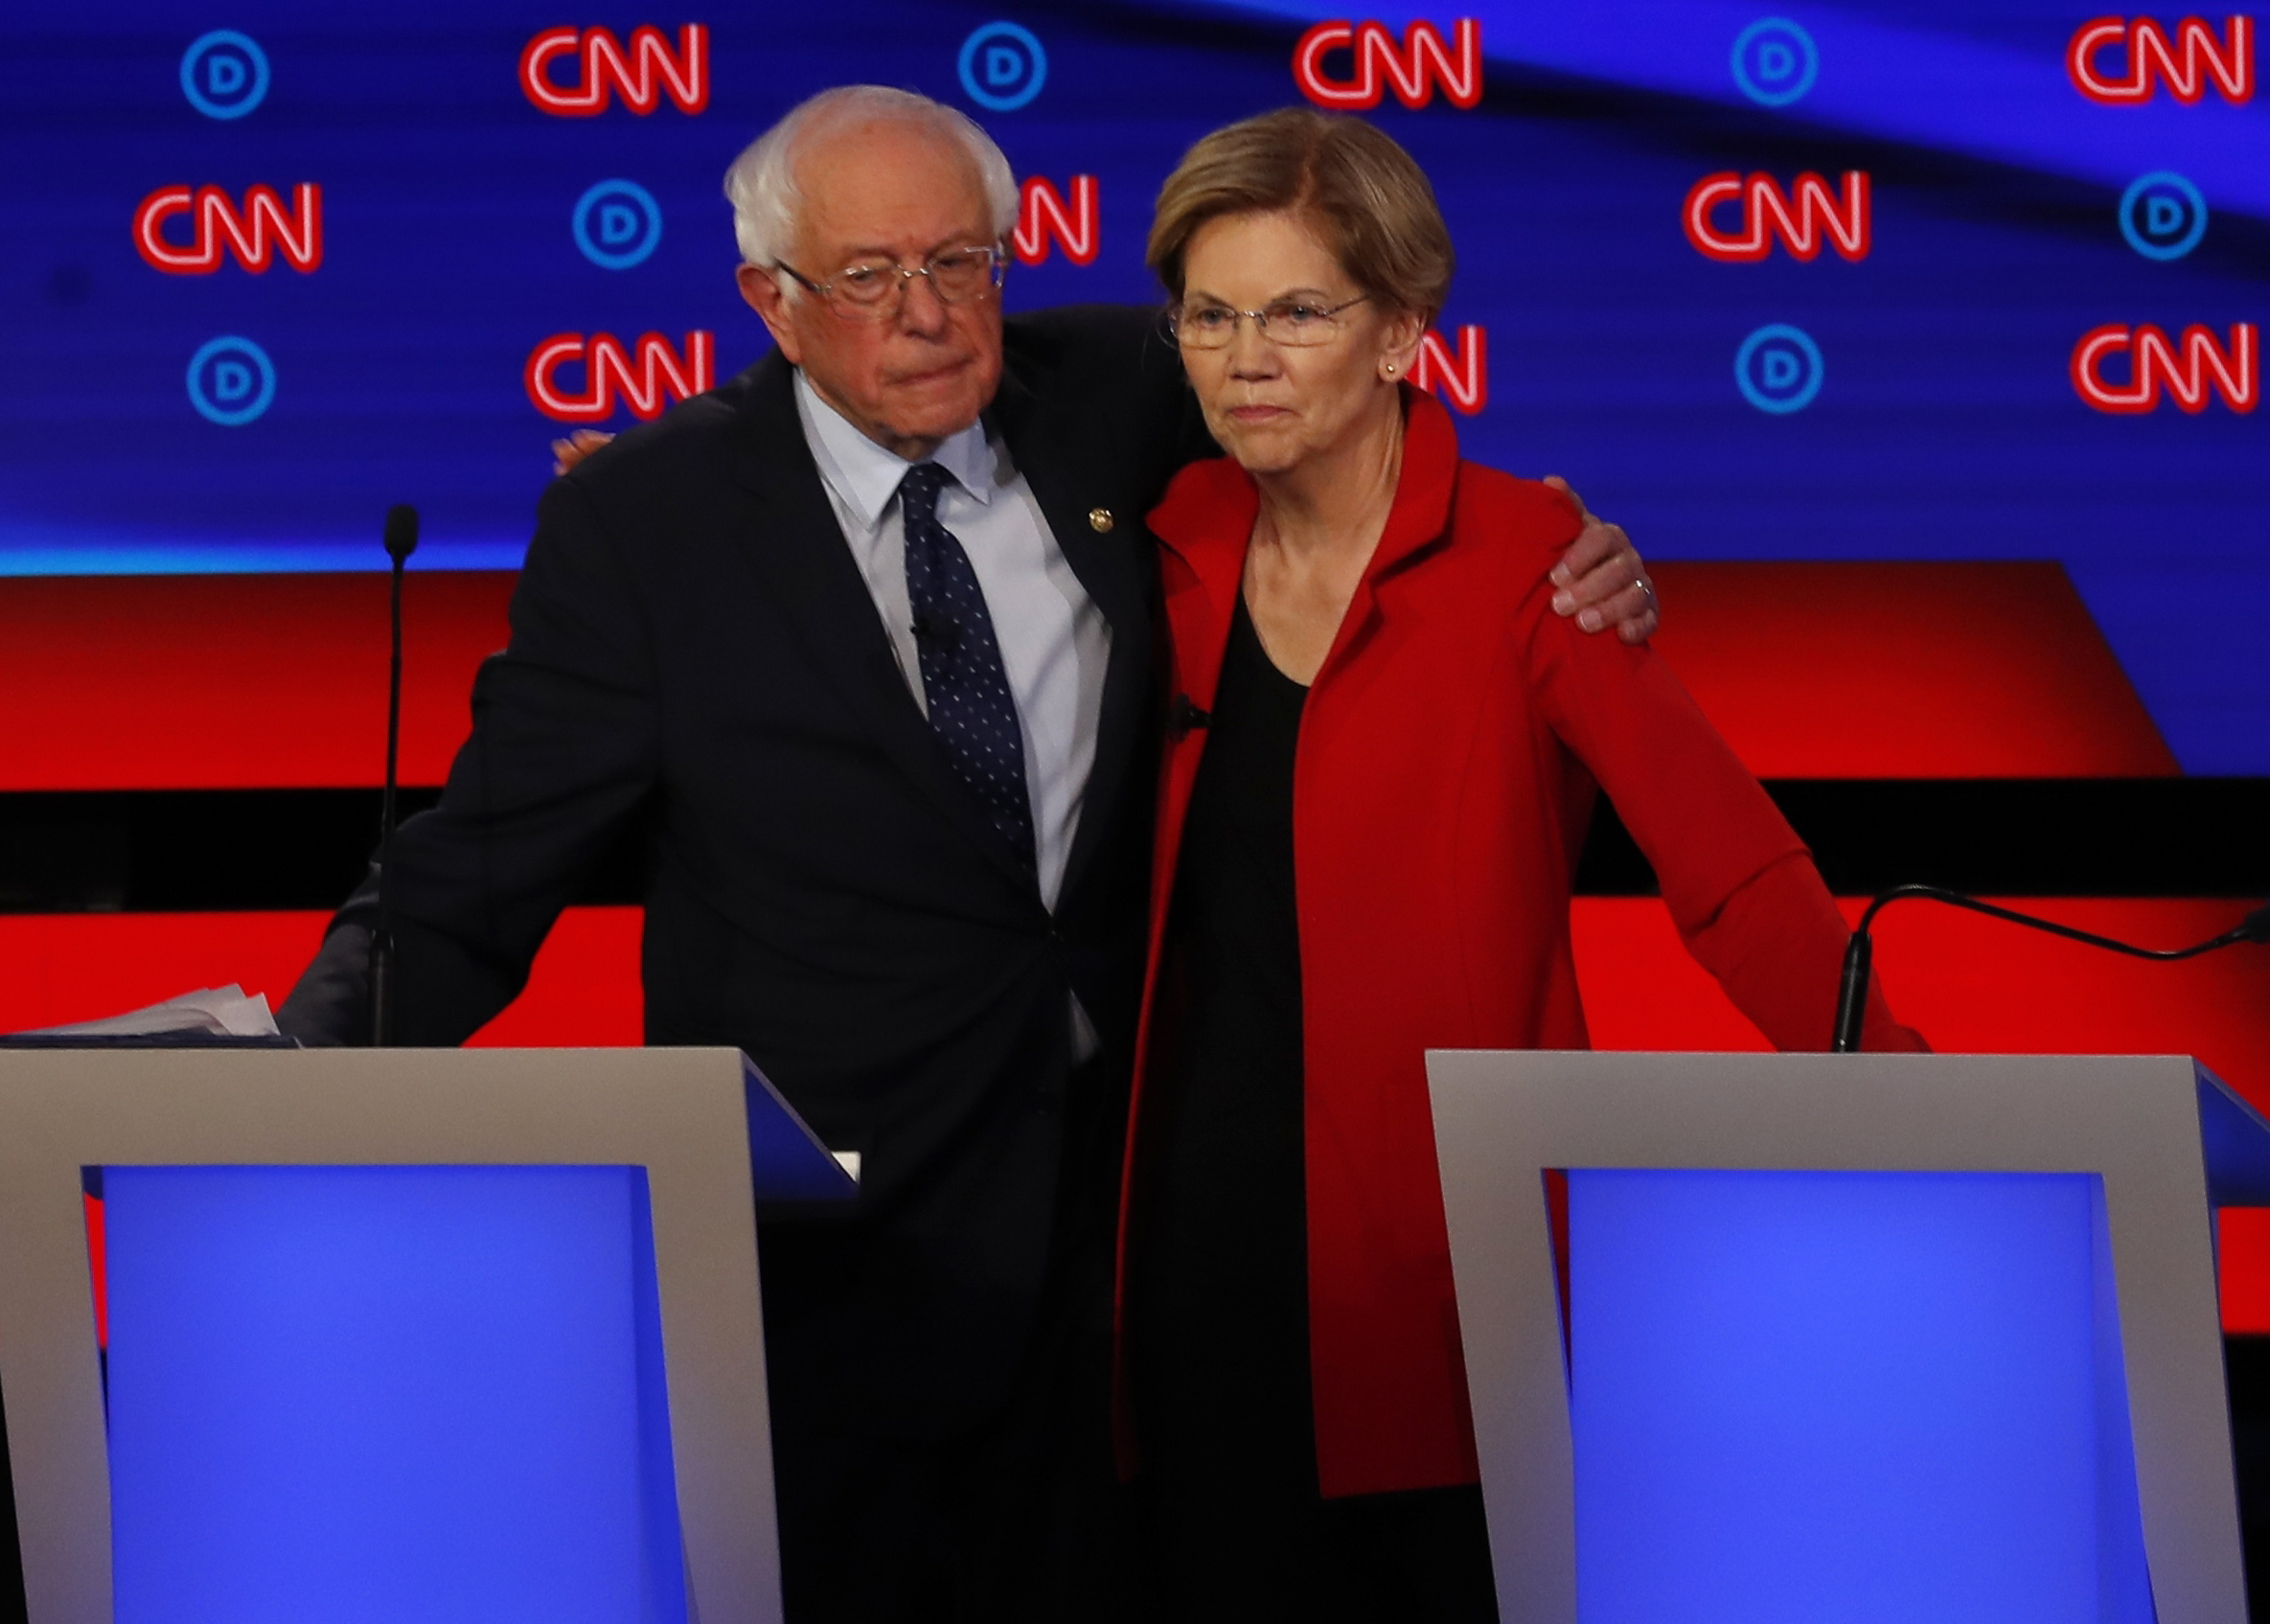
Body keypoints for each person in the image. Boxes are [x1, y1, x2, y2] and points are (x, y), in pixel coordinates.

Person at [277, 87, 1659, 1621]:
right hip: (838, 1273)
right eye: (867, 278)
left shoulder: (1121, 391)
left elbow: (1346, 424)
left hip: (1130, 1250)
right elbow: (482, 864)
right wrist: (294, 1057)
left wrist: (1559, 534)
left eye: (963, 263)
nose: (928, 317)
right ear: (770, 303)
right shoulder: (649, 525)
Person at [1113, 108, 1926, 1622]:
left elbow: (1733, 871)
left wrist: (1935, 1118)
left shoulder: (1527, 563)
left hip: (1439, 1259)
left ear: (1406, 332)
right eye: (1210, 318)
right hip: (1180, 1258)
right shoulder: (1152, 540)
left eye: (1297, 312)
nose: (1245, 359)